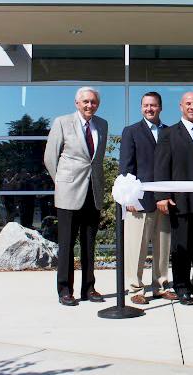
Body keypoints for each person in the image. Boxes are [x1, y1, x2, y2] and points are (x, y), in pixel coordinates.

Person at [44, 87, 108, 306]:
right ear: (77, 103)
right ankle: (65, 290)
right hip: (69, 192)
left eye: (93, 102)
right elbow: (50, 158)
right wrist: (62, 182)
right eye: (86, 102)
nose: (90, 105)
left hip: (93, 191)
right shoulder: (62, 122)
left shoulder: (102, 124)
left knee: (90, 244)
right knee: (67, 244)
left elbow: (95, 160)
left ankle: (89, 288)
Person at [154, 91, 193, 306]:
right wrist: (161, 195)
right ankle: (182, 287)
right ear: (181, 106)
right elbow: (161, 166)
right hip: (181, 201)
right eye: (188, 104)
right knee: (182, 247)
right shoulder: (169, 134)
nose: (192, 107)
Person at [120, 91, 176, 305]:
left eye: (153, 105)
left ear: (160, 107)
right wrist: (129, 200)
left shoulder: (170, 132)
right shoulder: (131, 131)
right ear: (141, 107)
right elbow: (126, 168)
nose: (149, 109)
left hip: (163, 201)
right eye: (145, 105)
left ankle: (161, 286)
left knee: (163, 246)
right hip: (139, 201)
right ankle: (135, 288)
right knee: (136, 248)